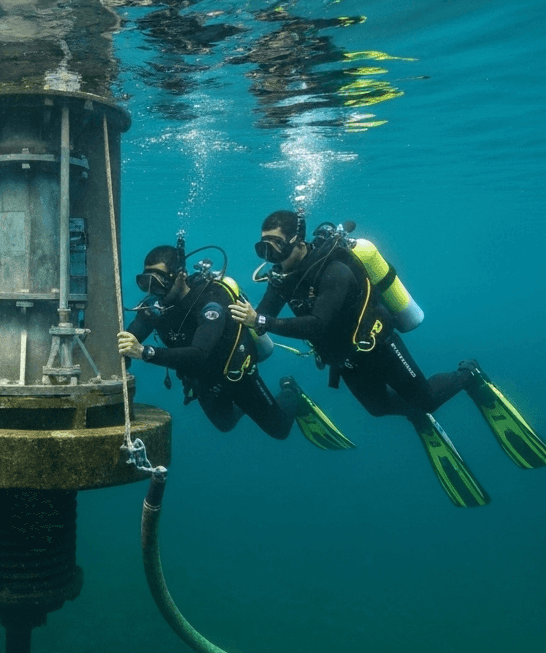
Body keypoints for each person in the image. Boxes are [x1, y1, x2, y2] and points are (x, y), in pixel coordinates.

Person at [230, 210, 546, 507]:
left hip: (379, 346)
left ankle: (468, 374)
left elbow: (317, 324)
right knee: (378, 408)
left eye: (276, 245)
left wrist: (261, 321)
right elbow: (264, 314)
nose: (269, 255)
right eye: (263, 247)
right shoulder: (284, 276)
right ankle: (414, 412)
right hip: (346, 358)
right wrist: (247, 321)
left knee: (427, 399)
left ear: (297, 242)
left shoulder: (334, 270)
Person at [117, 241, 352, 450]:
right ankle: (249, 407)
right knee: (225, 424)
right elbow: (129, 339)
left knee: (279, 429)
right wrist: (123, 355)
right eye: (146, 283)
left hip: (237, 377)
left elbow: (199, 354)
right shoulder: (154, 308)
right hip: (203, 382)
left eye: (159, 283)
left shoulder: (210, 302)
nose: (154, 292)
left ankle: (292, 391)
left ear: (180, 275)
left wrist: (144, 352)